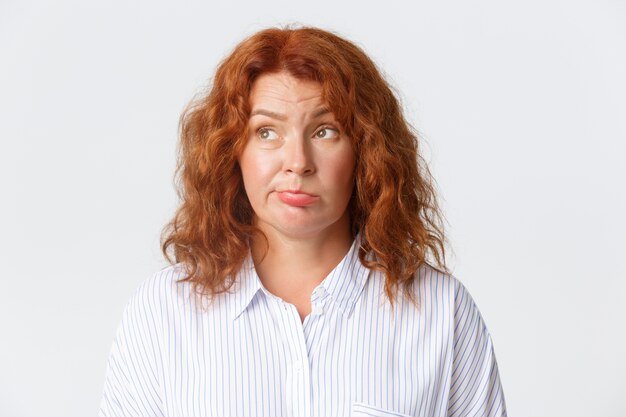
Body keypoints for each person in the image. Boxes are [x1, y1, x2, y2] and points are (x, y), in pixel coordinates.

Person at [99, 26, 507, 417]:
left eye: (325, 131)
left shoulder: (441, 311)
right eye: (267, 132)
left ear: (365, 152)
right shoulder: (161, 314)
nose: (297, 163)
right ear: (232, 150)